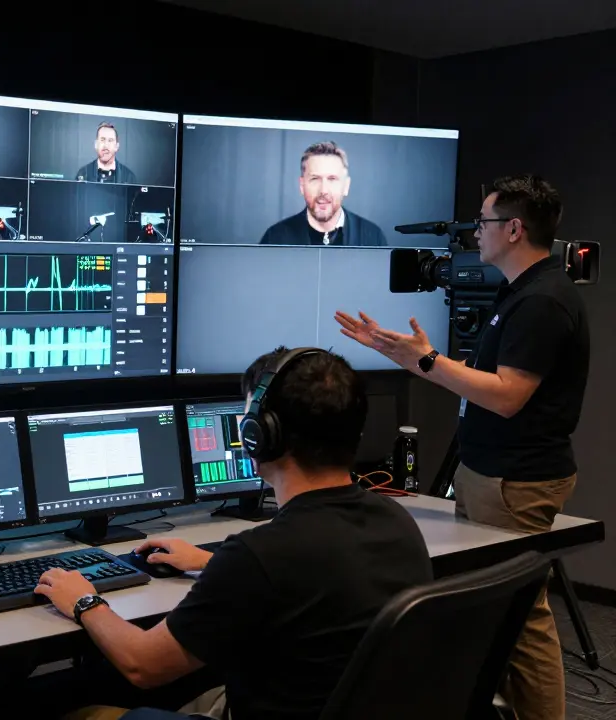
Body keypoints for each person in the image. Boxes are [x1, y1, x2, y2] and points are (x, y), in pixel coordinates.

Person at [35, 347, 433, 720]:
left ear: (262, 435)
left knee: (77, 708)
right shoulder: (396, 521)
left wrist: (84, 601)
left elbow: (143, 665)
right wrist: (211, 562)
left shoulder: (261, 554)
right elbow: (315, 579)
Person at [334, 174, 588, 720]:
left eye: (484, 222)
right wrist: (418, 359)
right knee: (503, 611)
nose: (475, 232)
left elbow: (507, 397)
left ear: (514, 229)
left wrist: (426, 362)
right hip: (499, 472)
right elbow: (488, 378)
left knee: (521, 616)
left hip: (514, 479)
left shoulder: (542, 301)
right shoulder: (523, 290)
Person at [259, 141, 385, 246]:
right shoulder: (274, 238)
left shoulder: (373, 237)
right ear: (302, 186)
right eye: (315, 179)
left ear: (346, 186)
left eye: (332, 179)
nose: (323, 190)